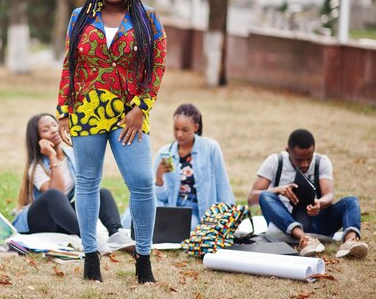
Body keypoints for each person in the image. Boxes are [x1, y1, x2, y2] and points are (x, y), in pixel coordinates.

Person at [56, 0, 167, 283]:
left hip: (128, 115)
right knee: (88, 183)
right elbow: (69, 65)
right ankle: (90, 258)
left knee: (143, 183)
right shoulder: (80, 17)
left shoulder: (147, 18)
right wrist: (63, 111)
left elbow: (157, 66)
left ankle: (143, 258)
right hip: (87, 111)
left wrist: (141, 108)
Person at [12, 113, 133, 255]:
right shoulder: (36, 167)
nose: (52, 130)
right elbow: (58, 192)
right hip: (40, 221)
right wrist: (52, 156)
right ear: (38, 139)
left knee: (102, 193)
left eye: (54, 124)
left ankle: (116, 234)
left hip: (62, 220)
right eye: (45, 130)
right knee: (54, 194)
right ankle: (88, 239)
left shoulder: (71, 155)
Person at [247, 129, 369, 258]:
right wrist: (278, 190)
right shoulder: (275, 161)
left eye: (309, 159)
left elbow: (329, 195)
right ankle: (305, 239)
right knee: (266, 195)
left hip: (315, 221)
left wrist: (319, 204)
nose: (305, 164)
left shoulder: (321, 161)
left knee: (351, 201)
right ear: (288, 150)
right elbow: (252, 198)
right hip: (282, 224)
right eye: (299, 160)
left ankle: (350, 243)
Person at [153, 103, 234, 230]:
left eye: (185, 130)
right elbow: (161, 198)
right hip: (172, 209)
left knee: (189, 226)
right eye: (176, 129)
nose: (179, 134)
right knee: (128, 220)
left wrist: (229, 218)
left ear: (196, 127)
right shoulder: (164, 153)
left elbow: (222, 185)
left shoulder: (211, 148)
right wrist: (159, 178)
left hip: (197, 211)